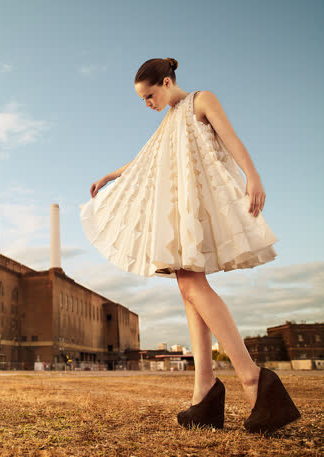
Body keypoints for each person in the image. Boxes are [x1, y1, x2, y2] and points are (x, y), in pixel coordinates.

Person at [79, 57, 301, 434]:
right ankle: (205, 391)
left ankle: (251, 378)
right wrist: (110, 176)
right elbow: (143, 160)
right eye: (143, 99)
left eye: (149, 95)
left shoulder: (201, 100)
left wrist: (254, 177)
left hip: (197, 206)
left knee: (190, 285)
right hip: (177, 210)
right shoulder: (167, 120)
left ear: (166, 82)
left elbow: (232, 139)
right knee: (187, 289)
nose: (147, 104)